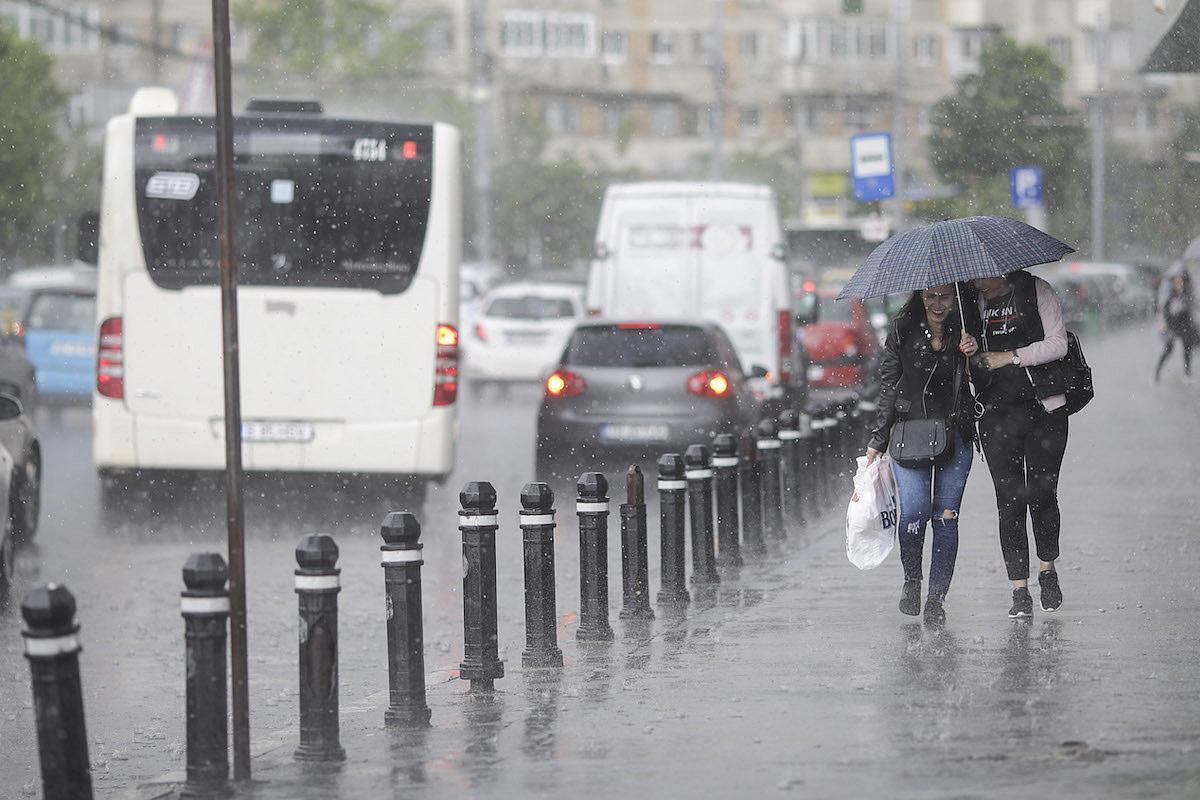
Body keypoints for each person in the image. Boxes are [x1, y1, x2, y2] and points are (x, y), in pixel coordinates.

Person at [865, 284, 979, 627]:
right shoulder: (903, 329)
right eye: (931, 297)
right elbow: (888, 384)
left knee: (946, 517)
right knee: (913, 511)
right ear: (920, 297)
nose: (938, 304)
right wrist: (878, 438)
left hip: (955, 433)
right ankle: (912, 580)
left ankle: (936, 599)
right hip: (909, 433)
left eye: (945, 296)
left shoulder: (966, 325)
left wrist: (973, 355)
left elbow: (986, 382)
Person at [970, 269, 1071, 619]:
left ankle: (1048, 569)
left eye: (982, 277)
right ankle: (1019, 591)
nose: (978, 283)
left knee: (1043, 494)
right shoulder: (972, 301)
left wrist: (1011, 356)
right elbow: (966, 359)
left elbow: (1059, 344)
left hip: (1045, 410)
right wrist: (969, 351)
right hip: (996, 416)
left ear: (1001, 270)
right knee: (1009, 502)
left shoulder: (1036, 289)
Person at [1155, 269, 1197, 384]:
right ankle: (1157, 373)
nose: (1179, 283)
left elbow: (1191, 308)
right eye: (1176, 281)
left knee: (1187, 350)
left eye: (1181, 280)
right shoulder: (1169, 297)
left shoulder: (1186, 294)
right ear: (1173, 282)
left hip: (1185, 327)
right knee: (1168, 350)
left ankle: (1187, 374)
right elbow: (1166, 314)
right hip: (1172, 328)